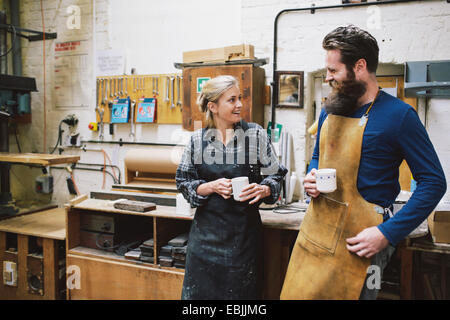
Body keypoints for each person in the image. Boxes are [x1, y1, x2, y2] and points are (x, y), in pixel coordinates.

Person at [281, 25, 447, 300]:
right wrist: (312, 176)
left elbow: (433, 182)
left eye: (334, 71)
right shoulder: (330, 109)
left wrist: (387, 233)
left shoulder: (399, 116)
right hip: (317, 231)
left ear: (359, 66)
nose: (328, 78)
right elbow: (317, 157)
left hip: (363, 240)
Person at [176, 75, 287, 300]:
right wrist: (210, 187)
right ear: (213, 106)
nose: (239, 105)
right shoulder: (197, 140)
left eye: (240, 98)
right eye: (232, 100)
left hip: (243, 242)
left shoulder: (255, 135)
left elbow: (276, 176)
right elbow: (183, 182)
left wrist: (264, 189)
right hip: (205, 242)